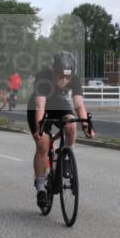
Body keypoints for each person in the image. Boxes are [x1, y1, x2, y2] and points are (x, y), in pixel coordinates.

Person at [27, 51, 95, 209]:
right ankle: (41, 187)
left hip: (58, 103)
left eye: (68, 78)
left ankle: (65, 156)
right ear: (53, 71)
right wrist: (40, 129)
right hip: (38, 106)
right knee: (43, 144)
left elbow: (79, 105)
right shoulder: (43, 77)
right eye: (61, 77)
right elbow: (40, 106)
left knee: (71, 125)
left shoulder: (74, 78)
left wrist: (86, 126)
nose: (64, 81)